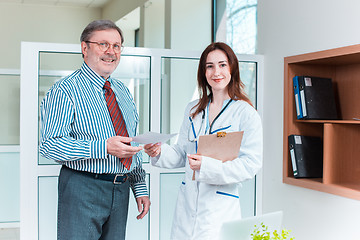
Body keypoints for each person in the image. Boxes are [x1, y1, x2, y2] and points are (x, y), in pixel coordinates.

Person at [39, 20, 150, 240]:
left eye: (117, 46)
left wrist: (140, 187)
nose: (111, 52)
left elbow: (130, 143)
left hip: (121, 189)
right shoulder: (64, 90)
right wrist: (104, 147)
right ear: (84, 48)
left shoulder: (123, 92)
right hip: (82, 187)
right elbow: (49, 145)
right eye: (103, 44)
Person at [144, 42, 263, 240]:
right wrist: (159, 151)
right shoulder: (193, 110)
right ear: (203, 72)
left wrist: (208, 166)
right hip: (187, 208)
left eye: (222, 65)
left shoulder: (246, 113)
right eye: (210, 66)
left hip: (220, 210)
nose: (216, 72)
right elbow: (182, 153)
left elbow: (250, 164)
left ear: (232, 68)